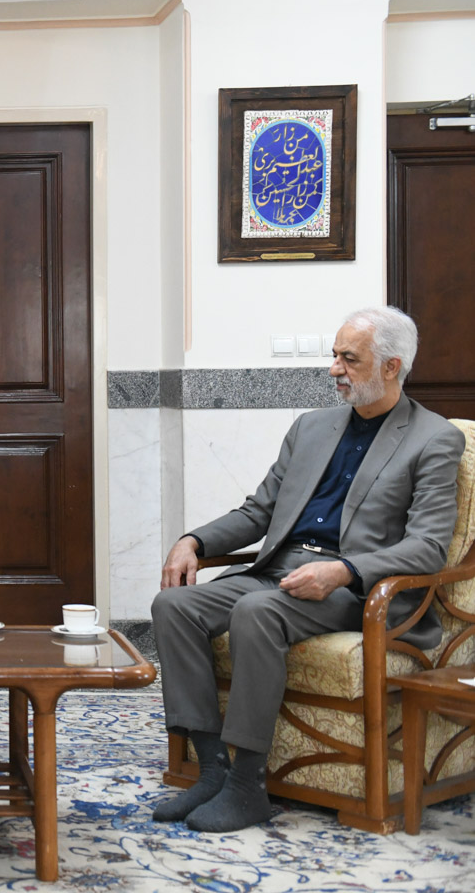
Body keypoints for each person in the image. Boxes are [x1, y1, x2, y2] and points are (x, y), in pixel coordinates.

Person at [151, 306, 465, 833]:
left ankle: (247, 786)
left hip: (355, 591)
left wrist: (343, 570)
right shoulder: (312, 427)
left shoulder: (433, 438)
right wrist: (194, 540)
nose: (334, 368)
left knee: (257, 610)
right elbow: (259, 512)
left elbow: (428, 547)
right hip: (279, 572)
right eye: (334, 355)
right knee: (174, 605)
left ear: (391, 367)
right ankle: (211, 770)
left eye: (349, 359)